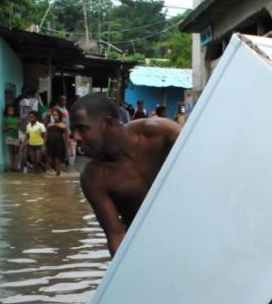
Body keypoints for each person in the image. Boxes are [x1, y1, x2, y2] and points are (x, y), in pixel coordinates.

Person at [70, 93, 181, 256]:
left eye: (82, 128)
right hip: (148, 245)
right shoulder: (93, 178)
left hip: (190, 227)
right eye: (73, 130)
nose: (76, 137)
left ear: (108, 123)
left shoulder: (162, 133)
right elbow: (116, 234)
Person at [18, 86, 42, 170]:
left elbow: (19, 115)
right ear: (33, 93)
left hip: (22, 127)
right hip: (32, 127)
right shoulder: (36, 102)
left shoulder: (21, 102)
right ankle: (35, 167)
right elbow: (39, 115)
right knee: (34, 148)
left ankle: (24, 167)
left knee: (24, 148)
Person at [45, 107, 70, 176]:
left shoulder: (63, 126)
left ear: (60, 116)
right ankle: (55, 174)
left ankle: (57, 178)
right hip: (50, 145)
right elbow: (46, 136)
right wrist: (44, 145)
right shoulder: (49, 125)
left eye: (56, 115)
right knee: (49, 161)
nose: (55, 117)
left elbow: (67, 138)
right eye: (54, 115)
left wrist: (69, 148)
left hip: (59, 145)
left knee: (57, 161)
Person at [2, 105, 20, 171]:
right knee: (11, 151)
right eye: (10, 110)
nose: (11, 112)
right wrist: (11, 127)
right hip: (9, 136)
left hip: (16, 136)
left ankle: (16, 166)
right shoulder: (5, 119)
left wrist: (12, 127)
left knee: (16, 151)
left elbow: (18, 128)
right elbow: (3, 129)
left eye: (13, 110)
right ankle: (12, 166)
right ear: (7, 111)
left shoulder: (17, 118)